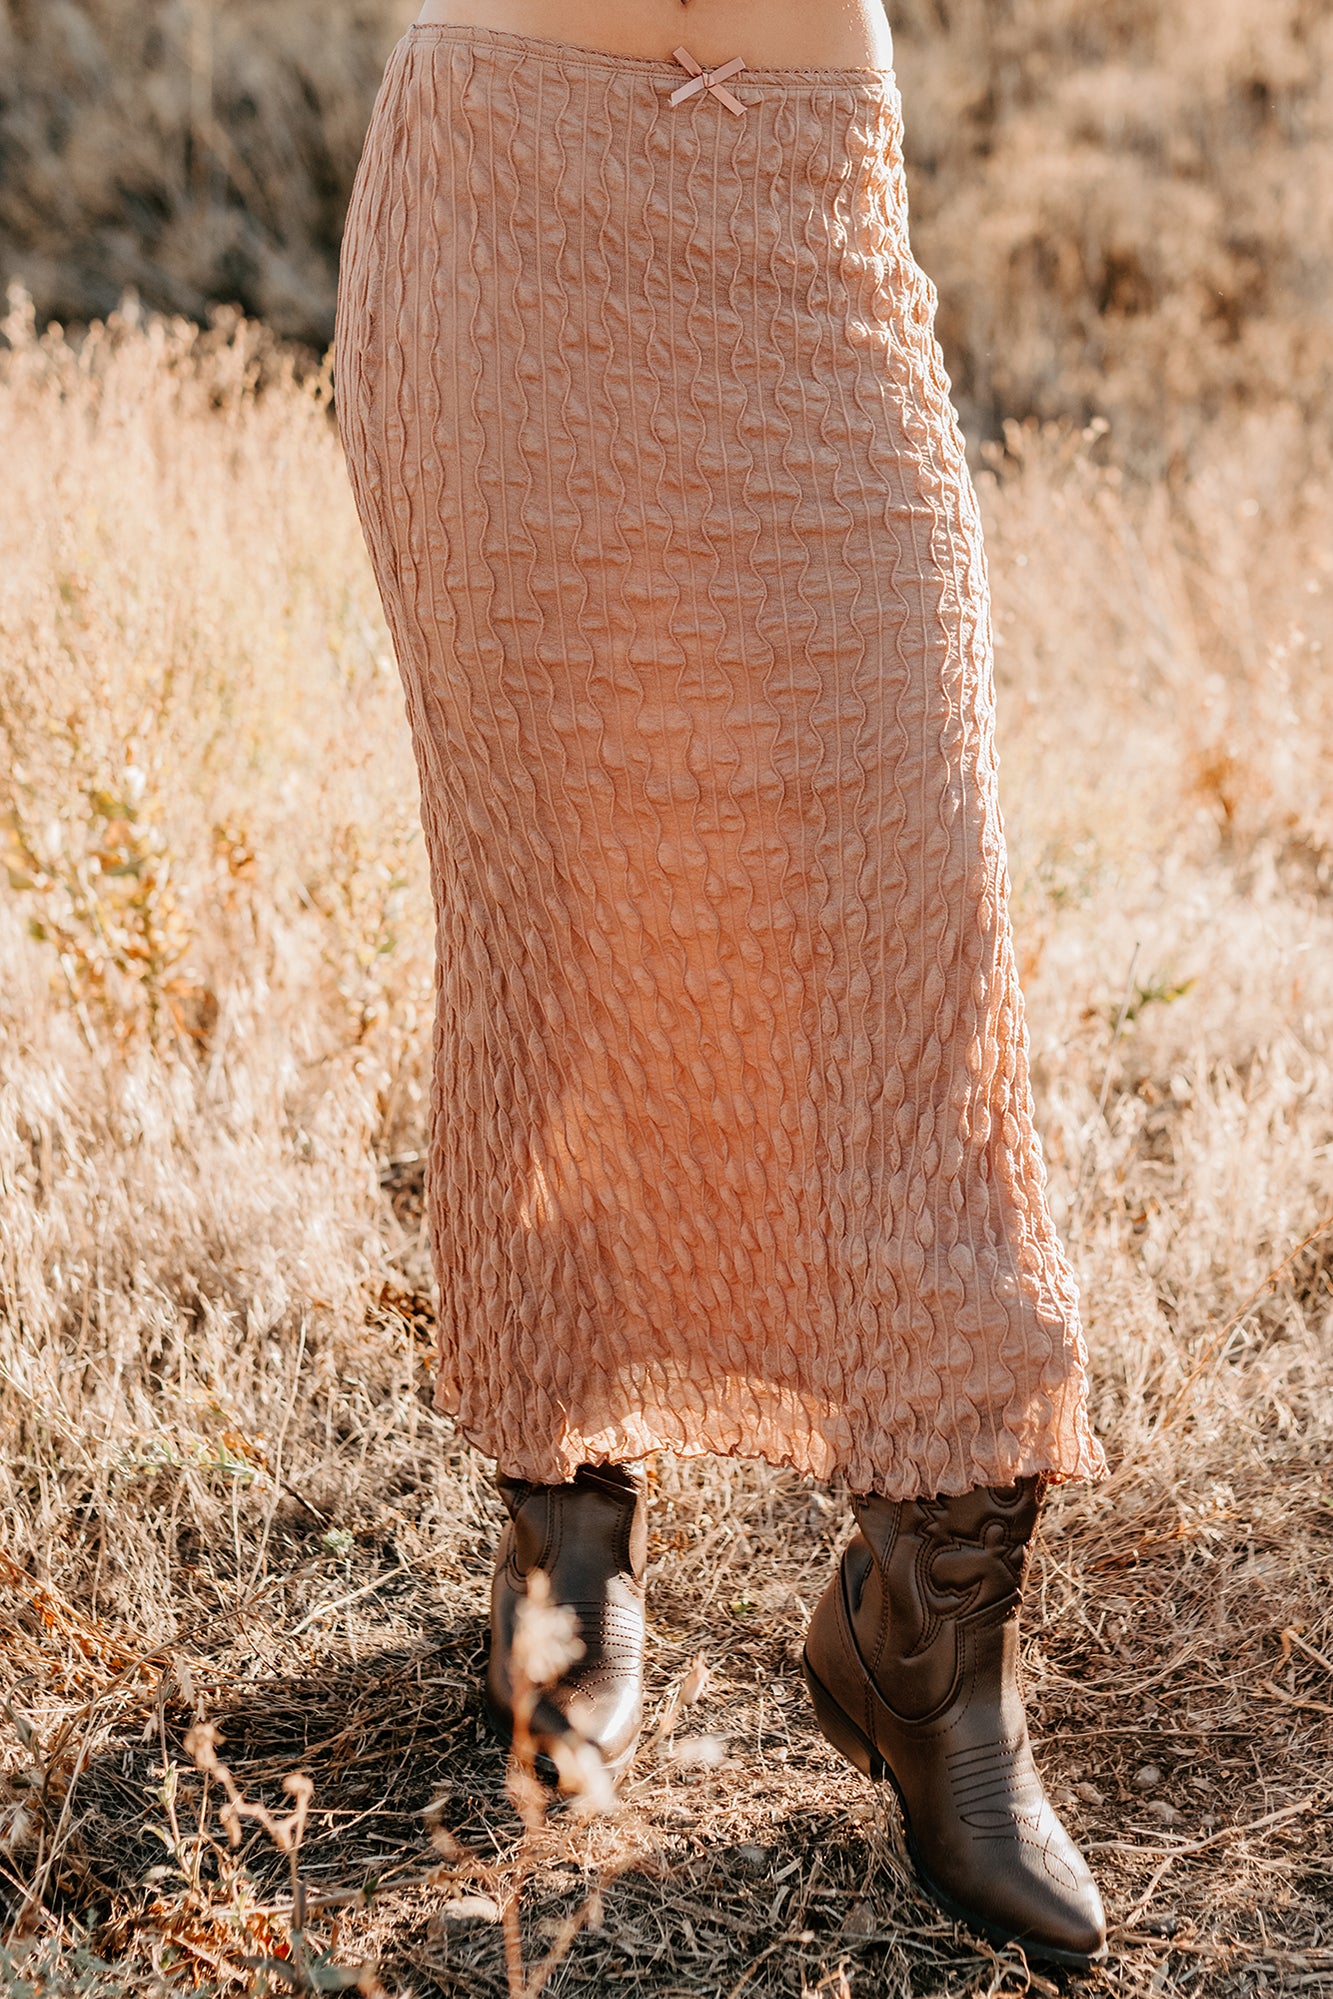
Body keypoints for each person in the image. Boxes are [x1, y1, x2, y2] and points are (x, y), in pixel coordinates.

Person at [334, 0, 1109, 1968]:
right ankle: (566, 1517)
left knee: (910, 920)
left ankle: (922, 1640)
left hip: (796, 193)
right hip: (504, 188)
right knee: (553, 899)